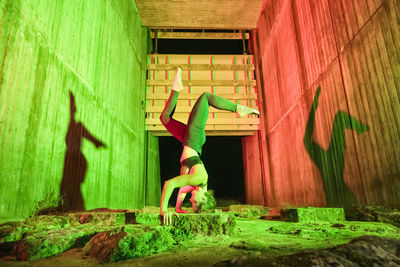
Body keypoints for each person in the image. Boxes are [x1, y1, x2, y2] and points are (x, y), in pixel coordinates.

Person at [159, 68, 259, 225]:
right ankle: (238, 109)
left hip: (188, 140)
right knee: (206, 97)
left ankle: (176, 91)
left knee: (165, 118)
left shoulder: (196, 185)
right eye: (193, 203)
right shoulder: (199, 178)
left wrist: (178, 208)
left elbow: (181, 191)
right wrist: (164, 210)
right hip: (194, 139)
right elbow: (169, 184)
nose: (190, 201)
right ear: (203, 198)